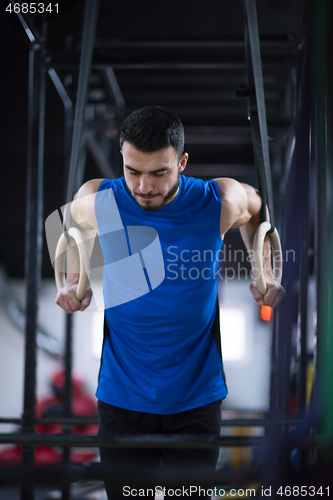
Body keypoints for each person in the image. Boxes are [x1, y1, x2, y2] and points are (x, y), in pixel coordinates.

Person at [55, 106, 286, 499]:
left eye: (159, 173)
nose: (144, 186)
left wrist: (264, 272)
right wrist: (74, 279)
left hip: (196, 400)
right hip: (122, 398)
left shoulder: (218, 201)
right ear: (123, 161)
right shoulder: (99, 200)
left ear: (181, 162)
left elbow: (257, 211)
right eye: (133, 171)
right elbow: (71, 226)